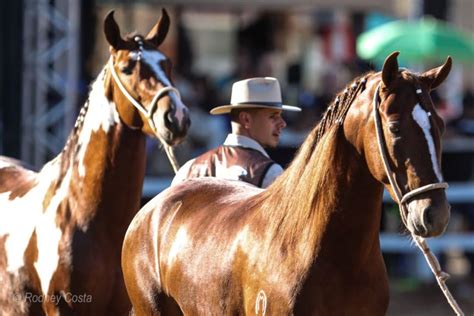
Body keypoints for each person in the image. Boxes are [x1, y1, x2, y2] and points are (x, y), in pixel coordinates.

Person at [172, 77, 301, 188]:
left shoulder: (189, 169)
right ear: (246, 119)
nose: (282, 123)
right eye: (273, 116)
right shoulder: (270, 174)